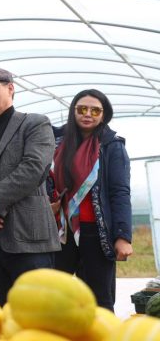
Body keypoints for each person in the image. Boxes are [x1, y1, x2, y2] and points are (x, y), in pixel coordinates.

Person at [0, 68, 61, 307]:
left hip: (28, 238)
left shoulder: (35, 123)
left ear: (10, 88)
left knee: (35, 313)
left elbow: (34, 168)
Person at [51, 89, 132, 311]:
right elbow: (45, 178)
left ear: (104, 115)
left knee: (99, 300)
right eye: (82, 109)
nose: (88, 114)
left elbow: (120, 192)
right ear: (73, 111)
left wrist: (123, 236)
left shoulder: (112, 146)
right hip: (60, 231)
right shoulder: (56, 142)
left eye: (95, 110)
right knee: (54, 297)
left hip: (97, 232)